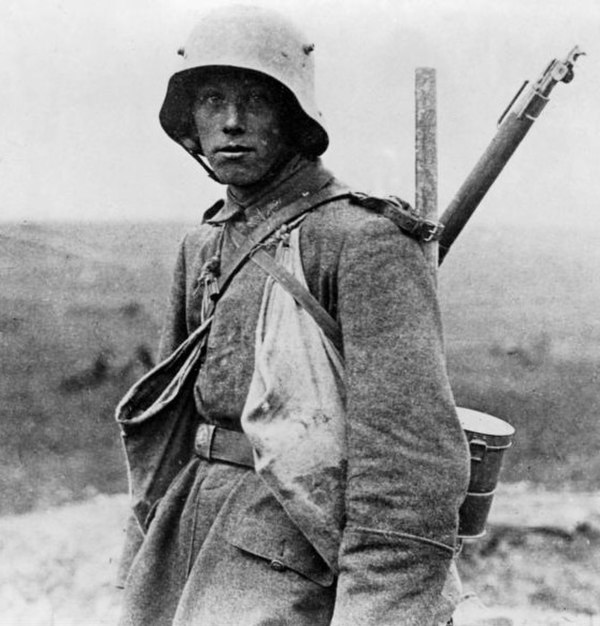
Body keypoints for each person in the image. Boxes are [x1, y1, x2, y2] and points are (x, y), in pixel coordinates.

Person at [116, 5, 470, 625]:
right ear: (188, 122)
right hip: (188, 535)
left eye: (256, 100)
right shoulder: (203, 245)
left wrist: (378, 610)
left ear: (294, 118)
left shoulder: (363, 241)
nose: (230, 122)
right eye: (212, 100)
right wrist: (144, 543)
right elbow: (170, 425)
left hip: (295, 547)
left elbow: (409, 466)